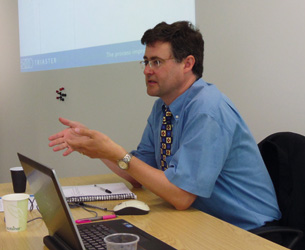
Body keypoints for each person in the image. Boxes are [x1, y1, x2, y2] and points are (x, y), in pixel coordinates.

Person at [48, 21, 281, 230]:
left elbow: (180, 196)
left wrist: (116, 152)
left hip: (251, 232)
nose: (147, 70)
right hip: (203, 221)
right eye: (146, 61)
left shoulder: (208, 109)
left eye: (156, 62)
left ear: (188, 63)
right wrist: (96, 148)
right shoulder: (163, 108)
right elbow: (139, 174)